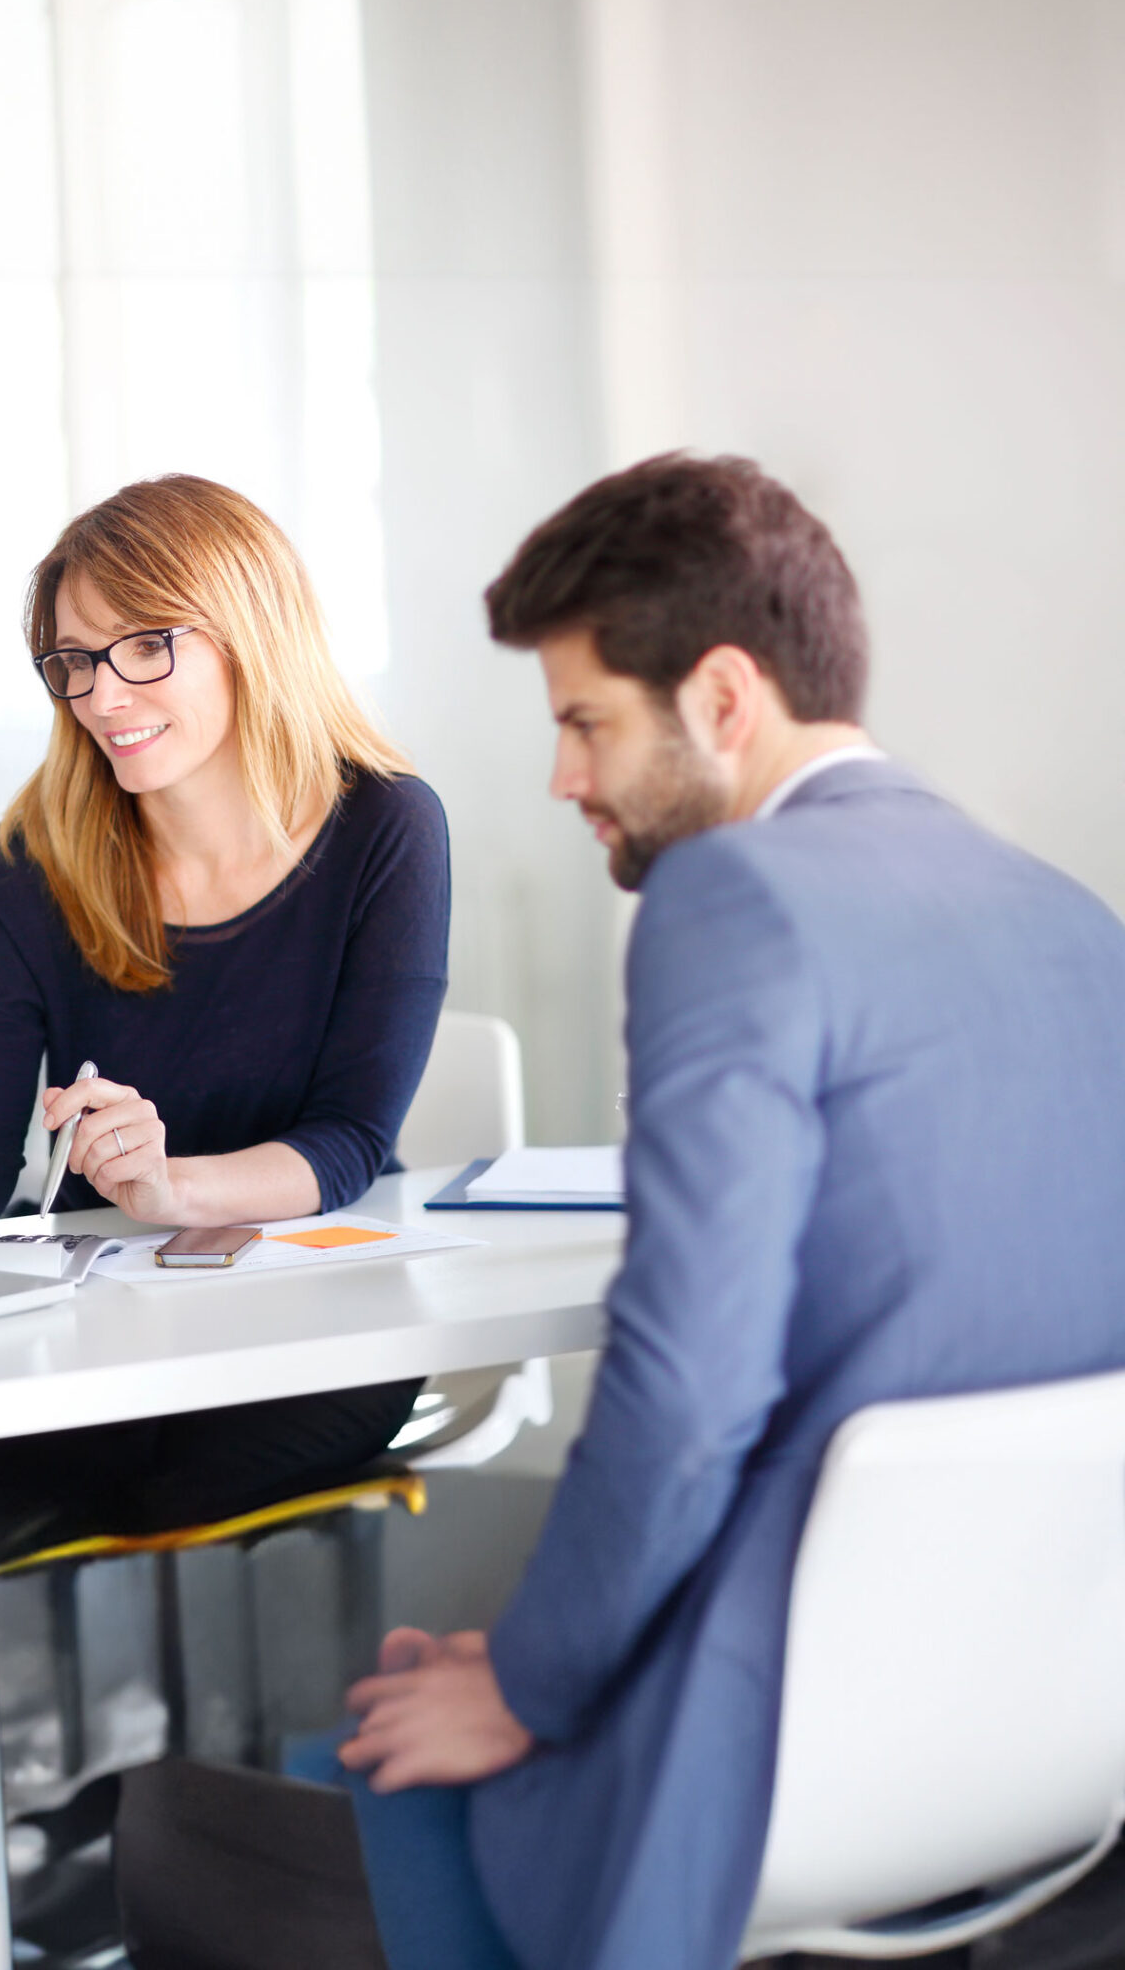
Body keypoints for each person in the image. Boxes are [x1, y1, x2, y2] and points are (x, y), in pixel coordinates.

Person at [119, 453, 1125, 1970]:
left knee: (194, 1829)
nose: (563, 778)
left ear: (723, 699)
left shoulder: (737, 900)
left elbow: (683, 1386)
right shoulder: (1066, 911)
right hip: (1046, 1757)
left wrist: (526, 1683)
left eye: (585, 721)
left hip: (776, 1766)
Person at [0, 473, 449, 1560]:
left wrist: (168, 1186)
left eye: (145, 645)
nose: (102, 694)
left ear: (249, 631)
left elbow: (349, 1140)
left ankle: (139, 1707)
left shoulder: (381, 825)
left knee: (133, 1484)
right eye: (74, 661)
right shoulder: (18, 871)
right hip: (98, 1322)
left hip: (321, 1317)